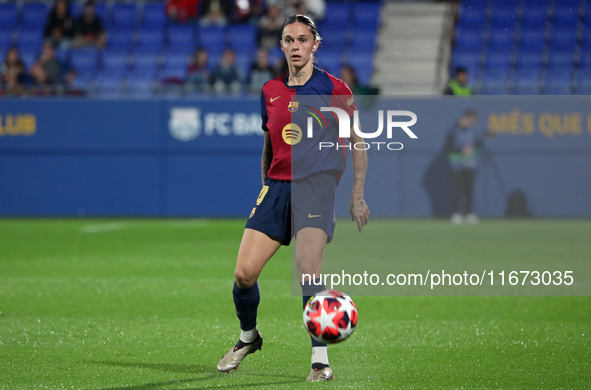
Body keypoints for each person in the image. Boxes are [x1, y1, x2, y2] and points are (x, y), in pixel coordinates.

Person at [216, 14, 370, 382]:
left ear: (315, 44)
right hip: (276, 188)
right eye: (289, 40)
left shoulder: (336, 90)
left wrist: (357, 196)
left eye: (303, 40)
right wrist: (266, 185)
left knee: (307, 271)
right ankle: (248, 337)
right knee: (243, 274)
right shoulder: (270, 90)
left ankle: (320, 360)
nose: (296, 46)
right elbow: (269, 142)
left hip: (316, 187)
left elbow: (359, 142)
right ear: (281, 45)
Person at [444, 108, 491, 224]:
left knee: (469, 191)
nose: (473, 123)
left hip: (469, 165)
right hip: (457, 165)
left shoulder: (472, 131)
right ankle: (456, 214)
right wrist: (461, 150)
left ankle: (469, 213)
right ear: (467, 117)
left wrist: (486, 139)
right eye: (472, 120)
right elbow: (447, 147)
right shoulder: (453, 130)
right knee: (457, 190)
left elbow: (476, 145)